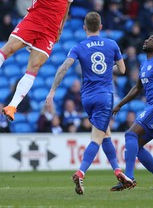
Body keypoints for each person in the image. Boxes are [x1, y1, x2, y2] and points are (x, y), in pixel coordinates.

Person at [45, 11, 129, 195]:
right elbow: (122, 70)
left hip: (87, 98)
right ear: (100, 27)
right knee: (97, 137)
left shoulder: (79, 46)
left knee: (105, 133)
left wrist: (52, 91)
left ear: (84, 27)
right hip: (104, 96)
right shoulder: (112, 44)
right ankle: (80, 172)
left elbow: (64, 67)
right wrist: (108, 67)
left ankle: (117, 171)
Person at [110, 35, 153, 191]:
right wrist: (120, 104)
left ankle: (129, 177)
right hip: (152, 107)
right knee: (137, 147)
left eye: (151, 39)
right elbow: (137, 88)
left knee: (130, 135)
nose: (146, 40)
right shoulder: (145, 64)